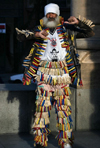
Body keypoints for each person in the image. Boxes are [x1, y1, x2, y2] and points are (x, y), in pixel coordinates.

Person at [16, 3, 95, 148]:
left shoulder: (68, 28)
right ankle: (40, 141)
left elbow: (90, 33)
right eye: (48, 14)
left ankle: (65, 141)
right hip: (44, 72)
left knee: (63, 109)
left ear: (57, 15)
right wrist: (36, 35)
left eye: (53, 14)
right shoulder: (39, 29)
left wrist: (79, 22)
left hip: (62, 73)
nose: (50, 16)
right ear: (45, 16)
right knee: (42, 109)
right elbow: (21, 36)